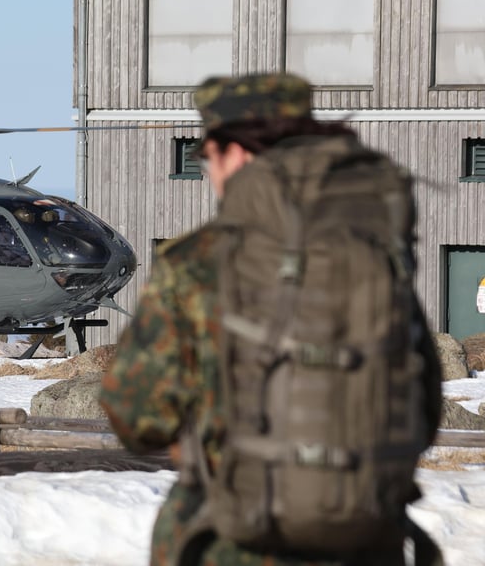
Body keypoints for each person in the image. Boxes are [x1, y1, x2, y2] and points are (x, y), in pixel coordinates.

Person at [99, 73, 443, 566]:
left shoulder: (201, 260)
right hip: (368, 543)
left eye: (206, 158)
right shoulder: (376, 256)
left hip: (230, 541)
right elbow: (425, 411)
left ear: (234, 153)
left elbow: (139, 417)